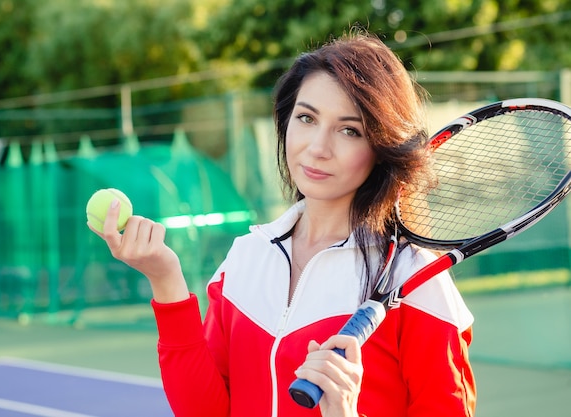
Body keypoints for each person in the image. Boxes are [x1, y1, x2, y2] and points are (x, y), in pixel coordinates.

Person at [91, 30, 476, 417]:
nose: (317, 148)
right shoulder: (246, 257)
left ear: (381, 147)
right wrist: (166, 281)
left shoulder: (417, 279)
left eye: (349, 130)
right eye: (306, 118)